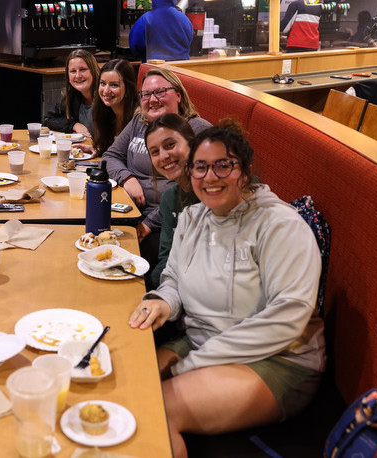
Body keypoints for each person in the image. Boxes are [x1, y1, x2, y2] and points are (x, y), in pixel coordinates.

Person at [128, 120, 325, 457]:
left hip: (277, 358)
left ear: (245, 171)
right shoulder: (191, 217)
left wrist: (194, 364)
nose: (210, 177)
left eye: (223, 165)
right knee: (127, 381)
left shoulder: (279, 225)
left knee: (152, 410)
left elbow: (287, 318)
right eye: (200, 167)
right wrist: (163, 301)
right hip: (200, 338)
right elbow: (173, 276)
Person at [102, 68, 211, 269]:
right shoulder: (139, 122)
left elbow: (190, 194)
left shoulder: (196, 129)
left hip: (166, 221)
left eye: (160, 92)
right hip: (129, 209)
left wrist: (149, 224)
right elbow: (110, 156)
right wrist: (127, 178)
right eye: (145, 94)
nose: (152, 99)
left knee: (121, 258)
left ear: (178, 95)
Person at [145, 114, 197, 289]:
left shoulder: (221, 189)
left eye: (170, 145)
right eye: (155, 152)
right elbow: (167, 258)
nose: (164, 156)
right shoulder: (169, 199)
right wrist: (147, 289)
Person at [81, 59, 138, 158]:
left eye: (114, 85)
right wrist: (98, 149)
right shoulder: (105, 112)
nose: (106, 91)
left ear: (128, 88)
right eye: (103, 83)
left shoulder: (137, 118)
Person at [42, 49, 99, 136]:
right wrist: (73, 125)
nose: (78, 76)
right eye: (73, 71)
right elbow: (47, 120)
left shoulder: (105, 96)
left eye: (83, 69)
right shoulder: (71, 97)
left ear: (93, 71)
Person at [129, 0, 193, 63]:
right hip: (181, 67)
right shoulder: (185, 19)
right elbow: (189, 41)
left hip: (155, 68)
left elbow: (135, 45)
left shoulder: (146, 19)